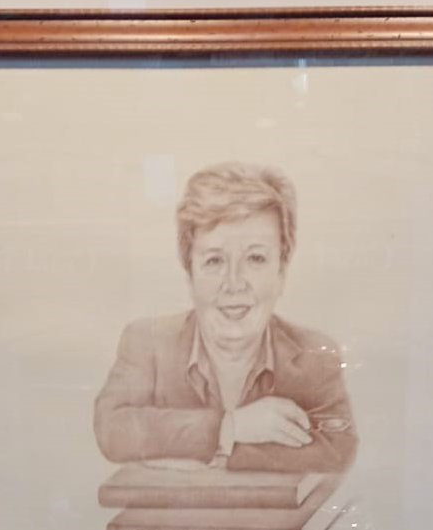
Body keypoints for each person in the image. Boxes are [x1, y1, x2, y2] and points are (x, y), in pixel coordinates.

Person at [94, 163, 357, 474]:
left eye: (255, 258)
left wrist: (208, 450)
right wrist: (231, 427)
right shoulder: (147, 343)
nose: (234, 284)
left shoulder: (315, 357)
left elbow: (336, 452)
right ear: (189, 274)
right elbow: (112, 430)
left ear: (281, 273)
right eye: (214, 260)